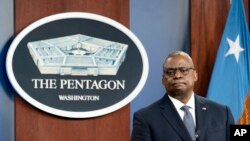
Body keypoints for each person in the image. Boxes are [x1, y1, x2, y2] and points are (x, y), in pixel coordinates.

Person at [131, 51, 234, 141]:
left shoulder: (223, 112)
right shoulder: (145, 118)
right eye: (170, 72)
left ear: (195, 75)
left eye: (183, 70)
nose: (177, 75)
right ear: (163, 80)